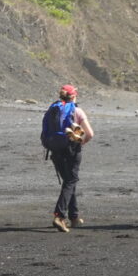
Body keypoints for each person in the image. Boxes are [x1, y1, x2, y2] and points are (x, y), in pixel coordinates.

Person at [42, 84, 94, 232]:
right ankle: (59, 216)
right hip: (71, 150)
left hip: (55, 150)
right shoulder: (76, 110)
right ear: (74, 96)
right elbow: (90, 134)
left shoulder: (52, 109)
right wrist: (80, 143)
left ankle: (74, 217)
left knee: (69, 182)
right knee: (71, 181)